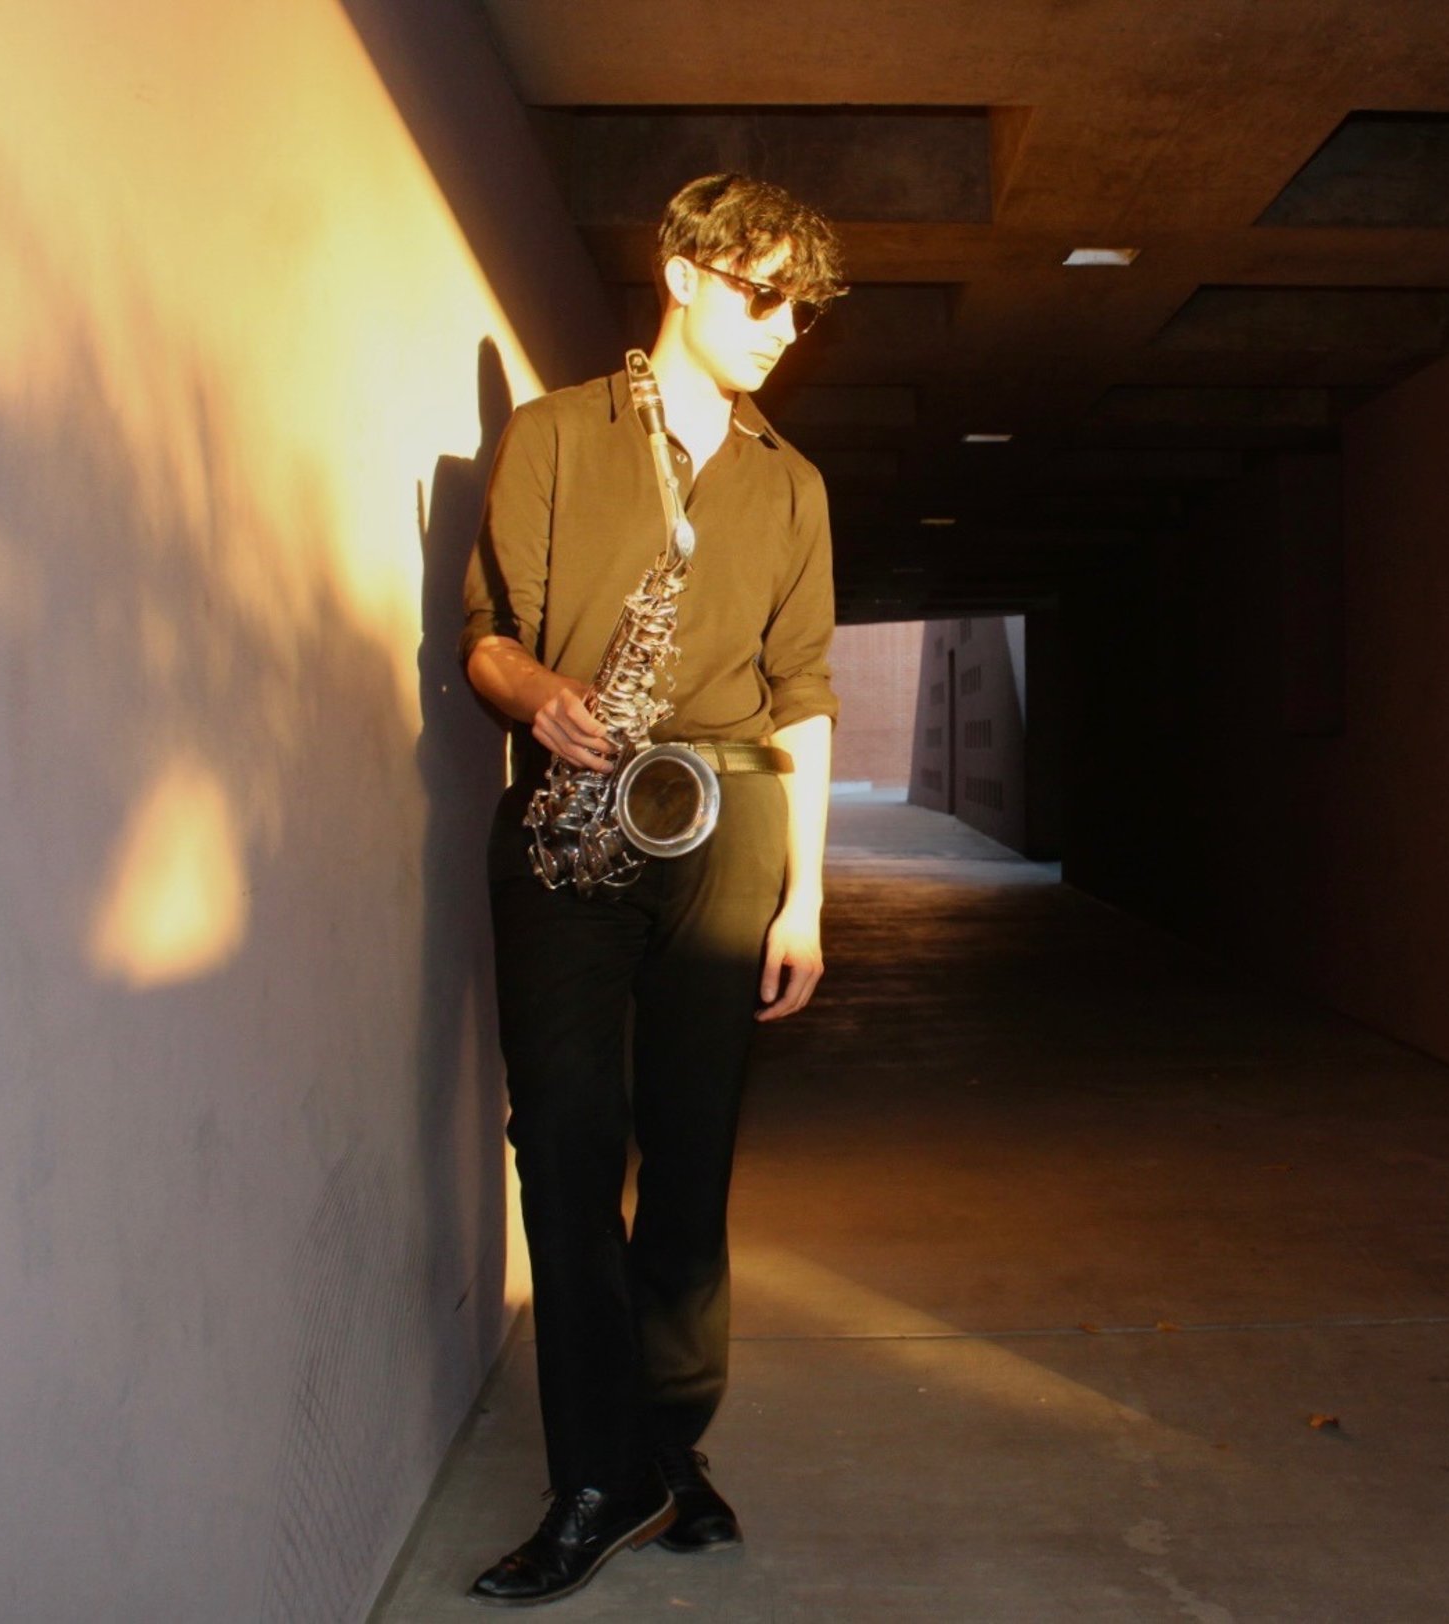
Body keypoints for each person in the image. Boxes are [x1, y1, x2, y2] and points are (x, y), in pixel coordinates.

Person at [458, 173, 845, 1607]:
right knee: (563, 1142)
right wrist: (539, 691)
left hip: (729, 822)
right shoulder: (557, 434)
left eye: (801, 308)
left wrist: (805, 894)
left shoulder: (791, 481)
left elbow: (802, 699)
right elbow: (485, 638)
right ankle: (598, 1474)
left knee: (692, 1156)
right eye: (760, 292)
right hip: (570, 814)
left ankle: (666, 1451)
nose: (782, 327)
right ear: (681, 273)